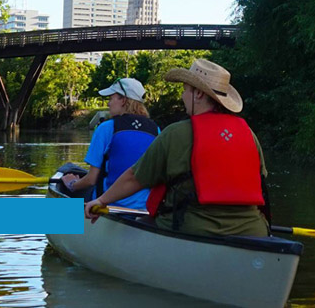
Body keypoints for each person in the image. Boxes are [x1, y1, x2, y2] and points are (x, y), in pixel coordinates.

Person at [84, 59, 269, 237]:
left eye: (185, 90)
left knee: (64, 203)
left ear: (198, 94)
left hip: (185, 226)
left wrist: (92, 196)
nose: (182, 96)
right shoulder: (249, 134)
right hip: (254, 230)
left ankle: (57, 226)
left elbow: (106, 178)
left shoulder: (110, 128)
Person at [61, 78, 159, 209]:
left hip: (108, 207)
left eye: (111, 98)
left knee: (64, 174)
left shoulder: (106, 128)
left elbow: (91, 180)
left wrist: (72, 184)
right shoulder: (155, 130)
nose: (108, 103)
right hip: (143, 209)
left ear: (123, 100)